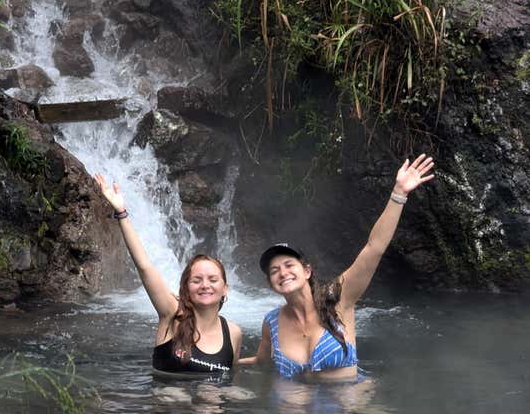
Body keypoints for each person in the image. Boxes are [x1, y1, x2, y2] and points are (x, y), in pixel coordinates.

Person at [240, 154, 435, 381]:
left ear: (307, 271)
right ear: (271, 284)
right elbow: (261, 362)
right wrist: (211, 364)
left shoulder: (337, 298)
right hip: (292, 413)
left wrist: (399, 194)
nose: (282, 273)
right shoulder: (271, 322)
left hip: (342, 410)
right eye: (274, 271)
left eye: (288, 265)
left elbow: (374, 248)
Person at [94, 174, 242, 376]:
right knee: (174, 396)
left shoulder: (233, 333)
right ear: (186, 288)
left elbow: (230, 379)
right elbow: (145, 266)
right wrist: (121, 212)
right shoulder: (172, 313)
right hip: (168, 405)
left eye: (213, 279)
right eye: (196, 280)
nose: (205, 285)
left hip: (210, 404)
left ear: (225, 288)